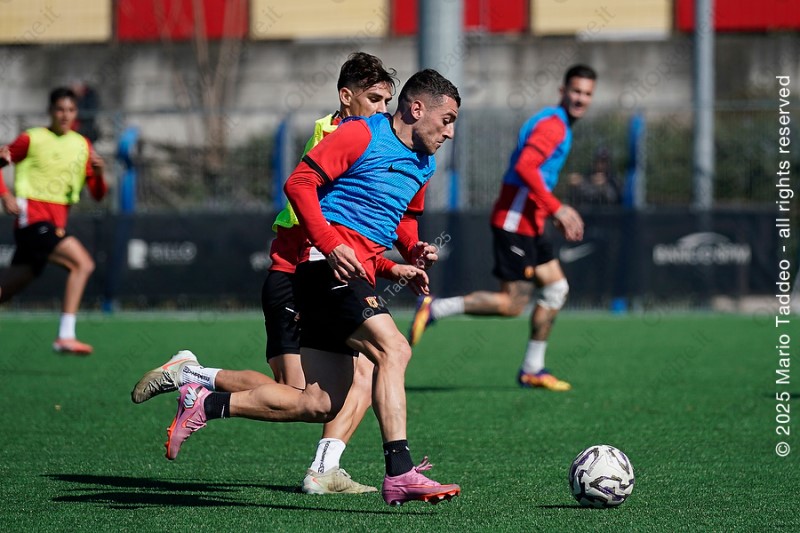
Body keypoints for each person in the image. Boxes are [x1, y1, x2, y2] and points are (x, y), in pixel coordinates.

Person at [157, 69, 461, 507]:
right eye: (447, 120)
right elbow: (299, 183)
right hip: (324, 268)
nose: (450, 132)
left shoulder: (424, 163)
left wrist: (412, 250)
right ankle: (400, 471)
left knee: (319, 403)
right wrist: (331, 244)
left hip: (353, 274)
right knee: (394, 350)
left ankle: (205, 402)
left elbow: (405, 218)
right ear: (416, 109)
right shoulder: (360, 134)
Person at [408, 65, 598, 392]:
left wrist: (547, 211)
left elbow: (535, 173)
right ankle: (436, 307)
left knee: (556, 289)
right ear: (563, 91)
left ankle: (532, 369)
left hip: (530, 222)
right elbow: (525, 167)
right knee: (512, 304)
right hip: (514, 221)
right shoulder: (553, 125)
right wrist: (557, 207)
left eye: (587, 94)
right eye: (576, 91)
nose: (581, 99)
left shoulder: (557, 124)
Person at [0, 87, 107, 354]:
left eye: (71, 110)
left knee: (7, 290)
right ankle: (65, 336)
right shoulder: (32, 138)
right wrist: (5, 195)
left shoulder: (82, 145)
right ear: (50, 111)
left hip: (54, 225)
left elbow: (98, 195)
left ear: (76, 113)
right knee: (83, 263)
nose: (65, 115)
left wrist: (99, 173)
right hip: (32, 221)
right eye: (60, 109)